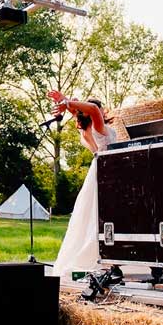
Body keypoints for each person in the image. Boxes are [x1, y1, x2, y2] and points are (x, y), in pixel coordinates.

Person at [46, 92, 117, 281]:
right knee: (100, 216)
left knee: (89, 217)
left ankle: (103, 259)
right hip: (108, 170)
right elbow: (92, 109)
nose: (101, 110)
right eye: (99, 108)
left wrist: (65, 101)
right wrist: (68, 103)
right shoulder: (98, 127)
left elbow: (80, 111)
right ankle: (103, 259)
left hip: (97, 171)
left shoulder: (84, 131)